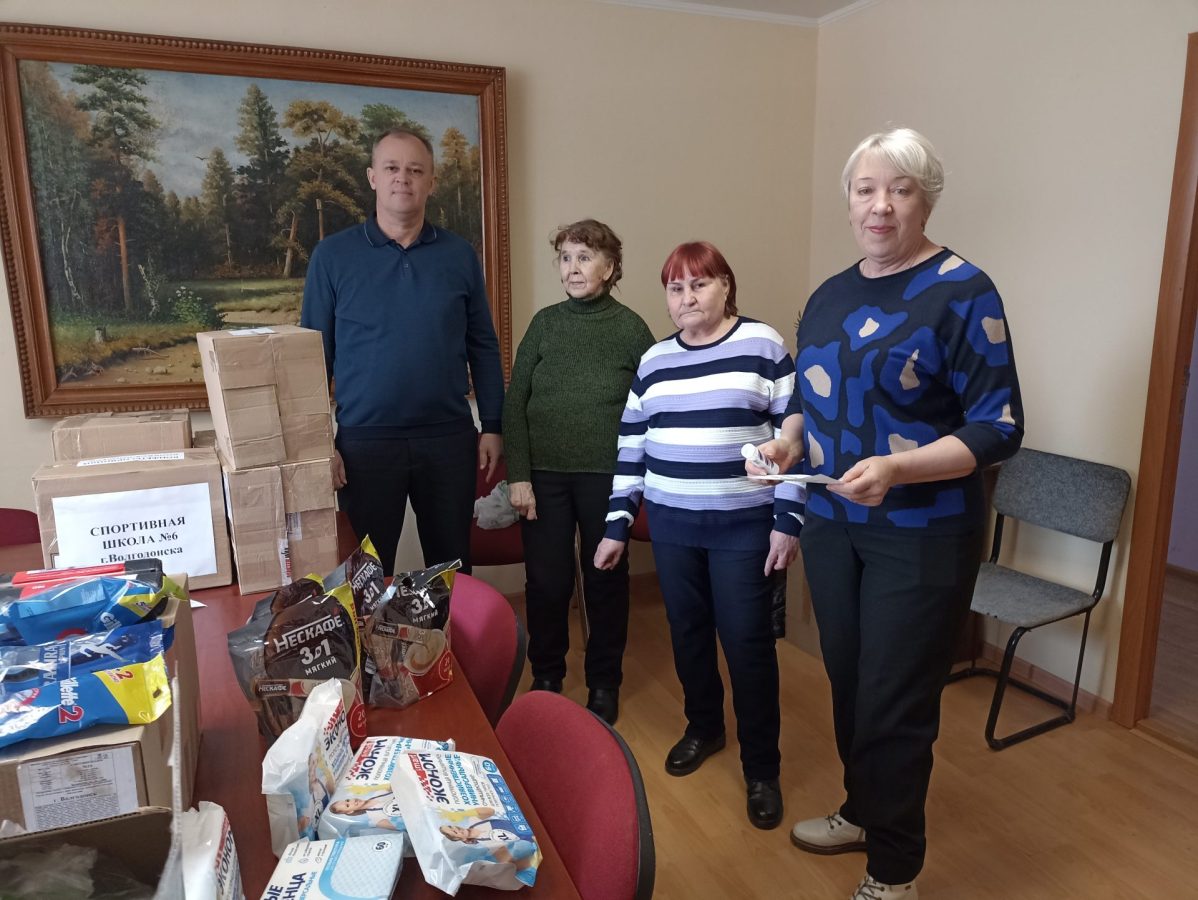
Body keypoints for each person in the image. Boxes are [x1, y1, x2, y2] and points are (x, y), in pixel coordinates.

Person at [749, 128, 1024, 900]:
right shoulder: (830, 295)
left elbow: (1000, 426)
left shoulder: (963, 290)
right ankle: (865, 810)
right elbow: (810, 399)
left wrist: (899, 468)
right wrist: (787, 442)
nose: (880, 206)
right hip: (835, 525)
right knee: (849, 681)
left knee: (894, 701)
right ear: (848, 201)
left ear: (925, 201)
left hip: (924, 533)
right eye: (866, 189)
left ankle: (895, 871)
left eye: (900, 190)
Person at [594, 241, 803, 830]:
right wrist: (616, 526)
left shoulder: (762, 346)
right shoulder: (654, 361)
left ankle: (762, 768)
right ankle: (704, 727)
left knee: (746, 644)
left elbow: (797, 438)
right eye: (676, 288)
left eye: (700, 284)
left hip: (743, 526)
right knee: (687, 634)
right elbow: (631, 449)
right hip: (673, 525)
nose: (687, 298)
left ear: (725, 286)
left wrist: (787, 520)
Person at [301, 127, 504, 575]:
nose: (402, 178)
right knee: (366, 576)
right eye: (392, 167)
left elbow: (483, 345)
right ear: (373, 177)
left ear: (431, 182)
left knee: (450, 572)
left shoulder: (459, 255)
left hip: (448, 439)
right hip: (365, 443)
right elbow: (312, 359)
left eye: (415, 170)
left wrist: (493, 424)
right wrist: (317, 444)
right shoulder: (332, 256)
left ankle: (448, 628)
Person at [502, 219, 654, 724]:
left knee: (604, 580)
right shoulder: (544, 323)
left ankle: (605, 682)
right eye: (566, 257)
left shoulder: (631, 329)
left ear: (609, 268)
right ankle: (547, 674)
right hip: (543, 477)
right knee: (547, 582)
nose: (572, 268)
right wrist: (519, 475)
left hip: (608, 479)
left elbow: (654, 403)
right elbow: (515, 404)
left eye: (584, 257)